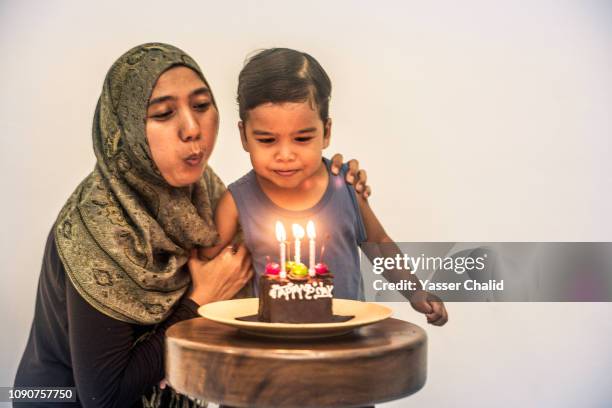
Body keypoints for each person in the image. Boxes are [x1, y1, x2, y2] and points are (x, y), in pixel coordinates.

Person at [13, 43, 371, 408]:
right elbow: (103, 397)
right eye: (164, 114)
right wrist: (200, 301)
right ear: (126, 129)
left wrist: (330, 176)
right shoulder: (98, 231)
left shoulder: (202, 193)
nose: (192, 129)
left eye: (201, 106)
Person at [200, 48, 448, 326]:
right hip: (271, 347)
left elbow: (379, 243)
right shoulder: (237, 200)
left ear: (326, 132)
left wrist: (414, 290)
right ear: (244, 136)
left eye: (302, 138)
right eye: (267, 140)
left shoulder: (347, 186)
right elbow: (207, 262)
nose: (285, 154)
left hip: (346, 342)